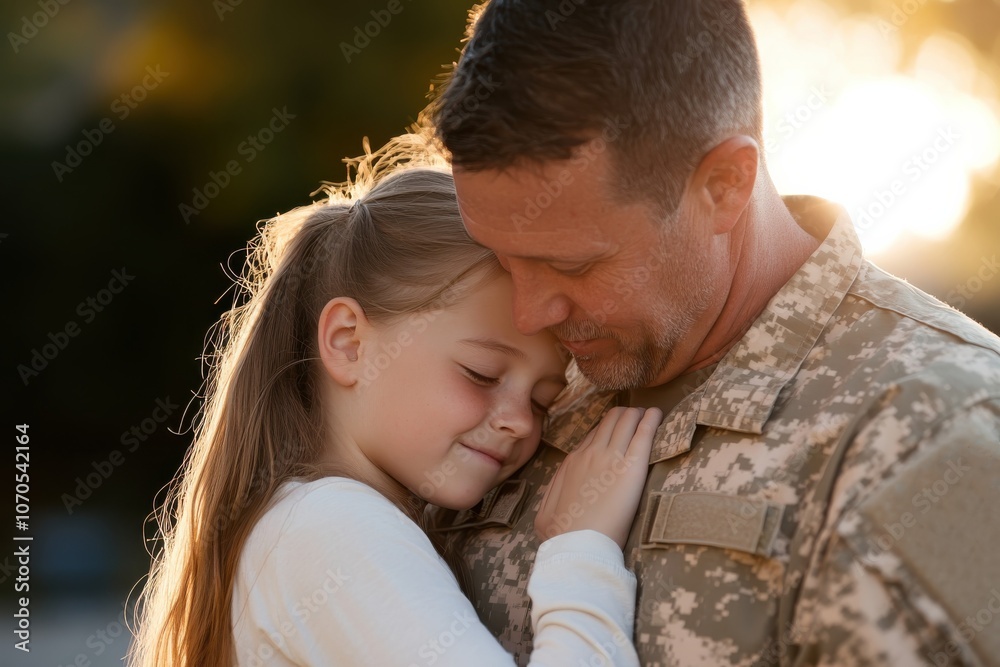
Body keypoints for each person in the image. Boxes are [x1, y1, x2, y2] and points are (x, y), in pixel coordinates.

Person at [423, 1, 1000, 665]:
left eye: (571, 265)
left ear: (725, 184)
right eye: (502, 258)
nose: (528, 314)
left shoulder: (943, 427)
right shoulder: (518, 387)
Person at [128, 138, 661, 666]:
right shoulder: (332, 526)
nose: (520, 422)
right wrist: (582, 549)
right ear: (348, 342)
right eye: (481, 374)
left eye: (544, 402)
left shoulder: (303, 524)